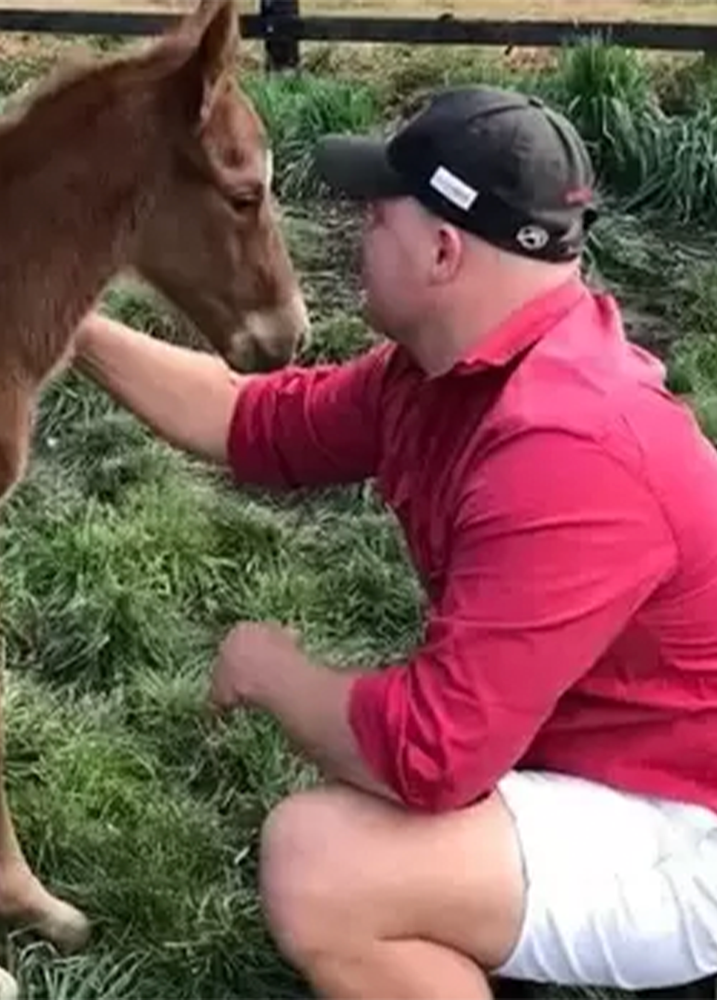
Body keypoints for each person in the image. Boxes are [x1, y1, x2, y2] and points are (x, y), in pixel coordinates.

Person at [71, 84, 717, 999]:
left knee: (321, 866)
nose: (354, 236)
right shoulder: (444, 372)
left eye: (376, 217)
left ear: (445, 251)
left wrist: (272, 672)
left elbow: (430, 756)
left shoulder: (568, 448)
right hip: (593, 761)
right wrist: (63, 321)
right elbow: (250, 419)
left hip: (686, 827)